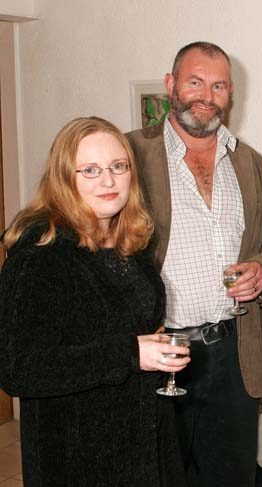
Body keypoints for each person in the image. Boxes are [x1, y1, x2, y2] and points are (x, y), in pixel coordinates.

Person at [126, 41, 262, 487]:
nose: (206, 95)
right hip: (161, 355)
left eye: (218, 86)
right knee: (159, 475)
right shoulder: (131, 156)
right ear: (171, 84)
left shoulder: (252, 164)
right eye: (195, 82)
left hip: (233, 353)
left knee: (230, 477)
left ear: (231, 94)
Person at [0, 117, 191, 487]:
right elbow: (18, 368)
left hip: (144, 439)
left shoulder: (127, 240)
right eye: (90, 170)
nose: (108, 180)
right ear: (62, 178)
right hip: (78, 457)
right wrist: (130, 354)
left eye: (118, 166)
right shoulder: (41, 254)